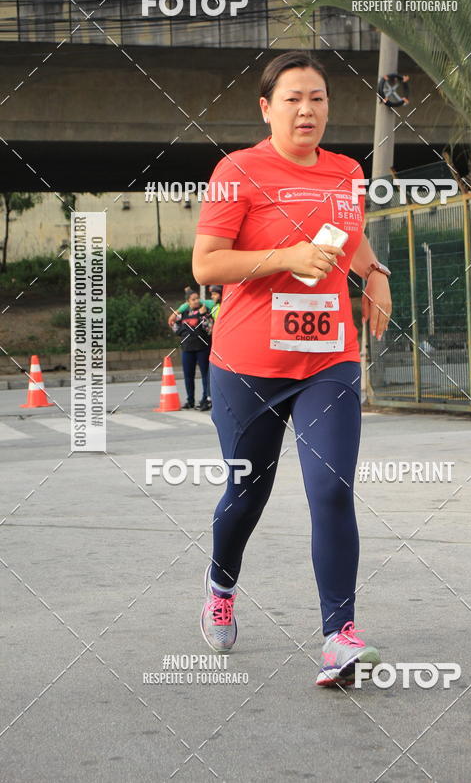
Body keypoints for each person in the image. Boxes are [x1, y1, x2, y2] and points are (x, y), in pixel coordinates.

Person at [193, 50, 392, 687]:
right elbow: (207, 267)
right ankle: (222, 582)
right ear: (266, 108)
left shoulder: (346, 173)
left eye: (318, 99)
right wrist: (287, 256)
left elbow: (350, 234)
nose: (307, 110)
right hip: (248, 364)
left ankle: (339, 636)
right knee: (247, 492)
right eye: (292, 99)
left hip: (328, 358)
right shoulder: (238, 171)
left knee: (331, 488)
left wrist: (375, 274)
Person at [171, 291, 213, 410]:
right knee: (188, 376)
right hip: (187, 349)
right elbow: (174, 325)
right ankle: (190, 400)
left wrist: (202, 316)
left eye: (197, 298)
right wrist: (182, 332)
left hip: (202, 348)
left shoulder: (204, 310)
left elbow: (209, 329)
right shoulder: (183, 313)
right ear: (188, 302)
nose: (196, 301)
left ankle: (205, 399)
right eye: (193, 299)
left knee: (205, 375)